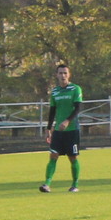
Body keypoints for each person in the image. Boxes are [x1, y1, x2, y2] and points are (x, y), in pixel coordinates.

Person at [41, 62, 85, 193]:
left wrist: (67, 121)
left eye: (65, 73)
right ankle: (47, 184)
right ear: (56, 75)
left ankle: (75, 184)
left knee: (73, 157)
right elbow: (52, 111)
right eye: (60, 73)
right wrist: (49, 129)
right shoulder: (55, 91)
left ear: (69, 74)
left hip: (72, 130)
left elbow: (78, 108)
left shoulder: (75, 89)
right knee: (53, 155)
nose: (63, 75)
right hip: (58, 131)